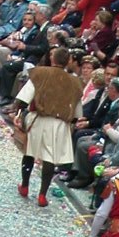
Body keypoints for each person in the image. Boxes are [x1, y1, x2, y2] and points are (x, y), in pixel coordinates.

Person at [15, 50, 82, 207]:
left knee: (29, 152)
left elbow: (23, 99)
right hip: (60, 124)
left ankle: (25, 186)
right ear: (68, 61)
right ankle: (42, 195)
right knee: (50, 158)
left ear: (53, 58)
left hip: (39, 119)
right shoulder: (75, 82)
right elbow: (77, 114)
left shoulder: (40, 73)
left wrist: (19, 114)